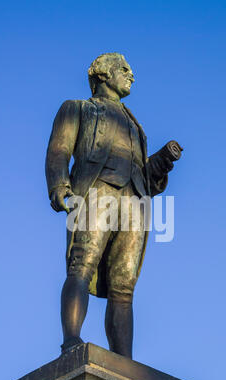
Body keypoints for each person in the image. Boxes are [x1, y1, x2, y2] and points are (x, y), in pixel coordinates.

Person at [45, 52, 182, 358]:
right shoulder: (77, 108)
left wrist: (163, 160)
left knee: (124, 286)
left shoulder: (137, 126)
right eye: (124, 69)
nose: (131, 74)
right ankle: (71, 341)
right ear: (103, 75)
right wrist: (58, 183)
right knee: (81, 265)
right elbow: (59, 149)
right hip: (95, 192)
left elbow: (144, 174)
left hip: (133, 201)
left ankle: (124, 362)